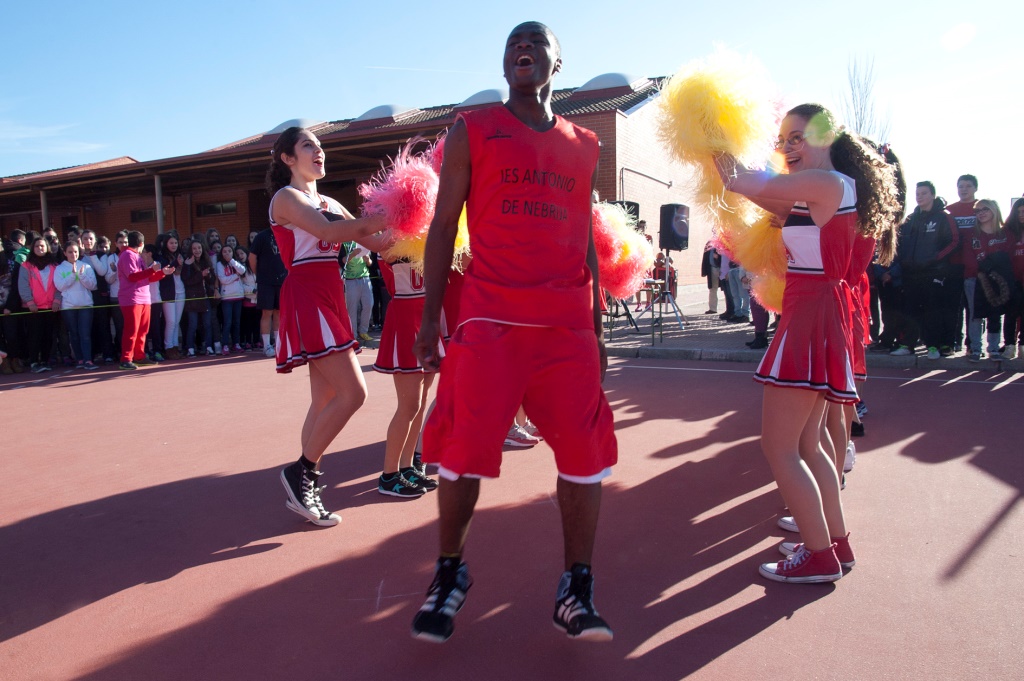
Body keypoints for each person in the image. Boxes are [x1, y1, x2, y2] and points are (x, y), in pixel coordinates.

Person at [410, 22, 616, 643]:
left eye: (536, 41)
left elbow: (585, 241)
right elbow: (443, 226)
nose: (522, 47)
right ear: (505, 64)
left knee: (585, 455)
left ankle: (576, 588)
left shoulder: (584, 144)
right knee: (461, 452)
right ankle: (450, 573)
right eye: (512, 43)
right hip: (490, 318)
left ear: (558, 61)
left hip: (566, 326)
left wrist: (597, 326)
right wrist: (430, 316)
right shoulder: (472, 128)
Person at [716, 103, 901, 583]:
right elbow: (773, 203)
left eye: (797, 137)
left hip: (810, 316)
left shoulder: (825, 182)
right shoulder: (828, 188)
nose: (787, 147)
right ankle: (836, 544)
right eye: (783, 140)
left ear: (825, 135)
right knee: (808, 443)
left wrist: (710, 138)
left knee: (778, 446)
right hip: (820, 313)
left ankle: (819, 556)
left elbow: (742, 181)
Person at [267, 126, 387, 528]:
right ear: (288, 158)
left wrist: (418, 224)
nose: (319, 151)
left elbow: (377, 243)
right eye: (308, 146)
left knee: (325, 399)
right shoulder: (286, 198)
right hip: (308, 293)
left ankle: (304, 488)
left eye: (320, 146)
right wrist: (385, 215)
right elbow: (330, 232)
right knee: (354, 393)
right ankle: (300, 472)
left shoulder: (330, 201)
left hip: (331, 293)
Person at [372, 258, 441, 498]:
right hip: (405, 316)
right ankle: (388, 475)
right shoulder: (389, 238)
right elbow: (376, 244)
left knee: (421, 401)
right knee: (409, 404)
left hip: (427, 315)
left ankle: (407, 466)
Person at [891, 182, 959, 357]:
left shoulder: (944, 217)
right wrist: (904, 262)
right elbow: (899, 244)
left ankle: (933, 346)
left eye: (924, 193)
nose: (919, 197)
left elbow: (954, 242)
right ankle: (907, 345)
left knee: (932, 311)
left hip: (934, 273)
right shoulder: (910, 219)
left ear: (932, 195)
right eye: (917, 193)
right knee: (910, 310)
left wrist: (934, 258)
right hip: (911, 274)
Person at [962, 199, 1010, 361]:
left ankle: (994, 348)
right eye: (977, 211)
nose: (981, 213)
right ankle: (975, 349)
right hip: (974, 279)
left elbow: (1006, 257)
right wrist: (982, 269)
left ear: (994, 211)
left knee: (995, 314)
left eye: (985, 209)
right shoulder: (971, 234)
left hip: (996, 280)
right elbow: (968, 259)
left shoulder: (1004, 234)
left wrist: (994, 271)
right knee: (975, 315)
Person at [117, 231, 174, 370]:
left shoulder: (137, 256)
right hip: (132, 299)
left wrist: (161, 273)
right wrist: (152, 270)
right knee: (132, 330)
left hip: (144, 298)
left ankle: (139, 356)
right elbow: (132, 276)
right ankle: (126, 359)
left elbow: (146, 278)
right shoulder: (127, 255)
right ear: (141, 244)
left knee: (142, 330)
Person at [54, 241, 99, 370]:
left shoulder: (86, 266)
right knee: (74, 334)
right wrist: (73, 275)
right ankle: (79, 359)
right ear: (65, 253)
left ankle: (88, 360)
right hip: (68, 306)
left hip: (85, 305)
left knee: (85, 334)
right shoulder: (60, 268)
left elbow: (93, 286)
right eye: (70, 252)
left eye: (75, 251)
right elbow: (60, 286)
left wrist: (81, 275)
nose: (73, 254)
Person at [945, 175, 978, 351]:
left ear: (975, 188)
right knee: (954, 306)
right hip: (954, 265)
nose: (964, 189)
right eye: (961, 186)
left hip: (976, 266)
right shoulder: (950, 210)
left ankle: (973, 343)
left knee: (974, 308)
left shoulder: (982, 208)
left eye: (968, 186)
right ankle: (955, 340)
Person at [18, 236, 60, 373]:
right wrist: (29, 302)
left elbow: (59, 285)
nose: (40, 248)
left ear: (47, 247)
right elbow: (23, 285)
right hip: (33, 308)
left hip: (51, 307)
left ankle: (45, 361)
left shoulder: (55, 265)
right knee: (34, 336)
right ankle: (34, 362)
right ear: (32, 248)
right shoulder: (26, 266)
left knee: (48, 336)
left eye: (42, 246)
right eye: (37, 246)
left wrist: (57, 300)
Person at [248, 227, 287, 357]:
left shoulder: (286, 234)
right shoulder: (261, 236)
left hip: (282, 281)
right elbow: (252, 258)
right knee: (267, 313)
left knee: (279, 313)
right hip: (265, 282)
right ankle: (266, 346)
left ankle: (278, 344)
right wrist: (259, 275)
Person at [181, 239, 215, 357]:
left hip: (205, 298)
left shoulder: (206, 261)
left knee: (207, 324)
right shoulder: (187, 263)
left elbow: (212, 279)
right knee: (192, 325)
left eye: (199, 248)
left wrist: (208, 275)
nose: (197, 250)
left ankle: (209, 347)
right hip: (192, 299)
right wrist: (201, 274)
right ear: (191, 250)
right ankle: (190, 348)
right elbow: (187, 281)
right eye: (194, 248)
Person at [157, 234, 186, 359]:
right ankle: (168, 347)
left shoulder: (181, 255)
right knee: (171, 321)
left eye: (175, 243)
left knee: (177, 322)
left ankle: (175, 347)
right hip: (168, 293)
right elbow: (165, 271)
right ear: (166, 244)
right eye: (171, 243)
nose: (174, 245)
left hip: (181, 291)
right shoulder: (161, 257)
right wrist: (176, 262)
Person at [1002, 198, 1024, 359]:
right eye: (1018, 212)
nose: (1021, 215)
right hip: (1011, 280)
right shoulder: (1007, 231)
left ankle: (1022, 345)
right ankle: (1009, 345)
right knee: (1010, 313)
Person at [215, 244, 246, 354]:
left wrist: (232, 261)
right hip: (227, 297)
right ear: (221, 253)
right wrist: (236, 276)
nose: (227, 253)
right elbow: (223, 280)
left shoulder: (235, 263)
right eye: (224, 251)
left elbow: (242, 270)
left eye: (229, 251)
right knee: (227, 322)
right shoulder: (219, 264)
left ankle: (236, 343)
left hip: (238, 296)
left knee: (236, 322)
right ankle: (225, 344)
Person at [343, 241, 374, 343]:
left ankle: (363, 331)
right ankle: (353, 335)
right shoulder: (344, 243)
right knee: (352, 308)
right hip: (350, 280)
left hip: (365, 278)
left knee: (369, 304)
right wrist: (352, 254)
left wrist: (368, 259)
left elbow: (370, 263)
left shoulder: (363, 241)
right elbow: (342, 261)